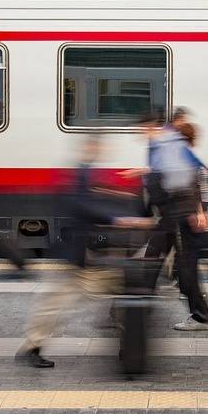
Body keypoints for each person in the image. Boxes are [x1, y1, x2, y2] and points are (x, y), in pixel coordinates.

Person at [17, 135, 153, 368]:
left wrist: (114, 197)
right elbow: (81, 206)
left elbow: (90, 198)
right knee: (57, 301)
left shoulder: (84, 172)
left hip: (84, 254)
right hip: (75, 254)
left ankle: (127, 345)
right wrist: (119, 219)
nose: (101, 150)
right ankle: (32, 347)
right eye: (98, 145)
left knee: (120, 290)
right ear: (89, 146)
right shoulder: (78, 173)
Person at [141, 110, 208, 331]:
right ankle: (139, 305)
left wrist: (203, 211)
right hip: (172, 217)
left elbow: (199, 179)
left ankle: (201, 316)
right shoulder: (170, 151)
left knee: (184, 270)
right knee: (153, 259)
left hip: (179, 218)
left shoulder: (177, 153)